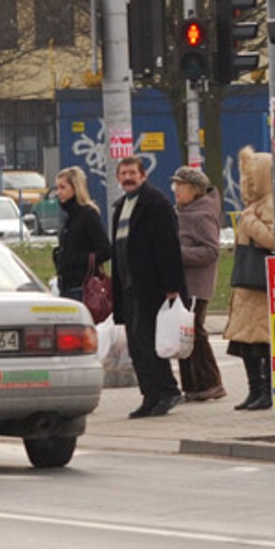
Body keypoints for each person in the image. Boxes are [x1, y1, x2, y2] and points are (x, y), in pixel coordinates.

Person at [109, 155, 188, 418]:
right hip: (129, 287)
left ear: (143, 176)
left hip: (152, 287)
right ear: (118, 178)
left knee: (149, 342)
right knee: (137, 345)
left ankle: (167, 391)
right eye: (124, 173)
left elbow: (168, 247)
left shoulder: (155, 203)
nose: (128, 177)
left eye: (133, 172)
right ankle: (150, 396)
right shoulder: (121, 206)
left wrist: (172, 286)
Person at [225, 147, 275, 411]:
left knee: (262, 342)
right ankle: (254, 389)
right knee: (245, 343)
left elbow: (273, 239)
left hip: (261, 286)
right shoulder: (253, 206)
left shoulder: (271, 204)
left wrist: (250, 223)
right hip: (247, 284)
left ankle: (267, 390)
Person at [172, 166, 225, 402]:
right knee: (184, 335)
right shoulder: (182, 211)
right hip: (182, 283)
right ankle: (192, 386)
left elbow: (210, 251)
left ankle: (210, 382)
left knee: (195, 334)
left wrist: (176, 253)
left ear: (194, 190)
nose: (175, 190)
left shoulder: (202, 215)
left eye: (180, 185)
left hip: (196, 285)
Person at [51, 166, 110, 315]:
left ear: (75, 187)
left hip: (82, 287)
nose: (59, 192)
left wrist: (75, 259)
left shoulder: (87, 215)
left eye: (63, 187)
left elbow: (106, 250)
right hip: (66, 285)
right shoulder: (69, 216)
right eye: (57, 188)